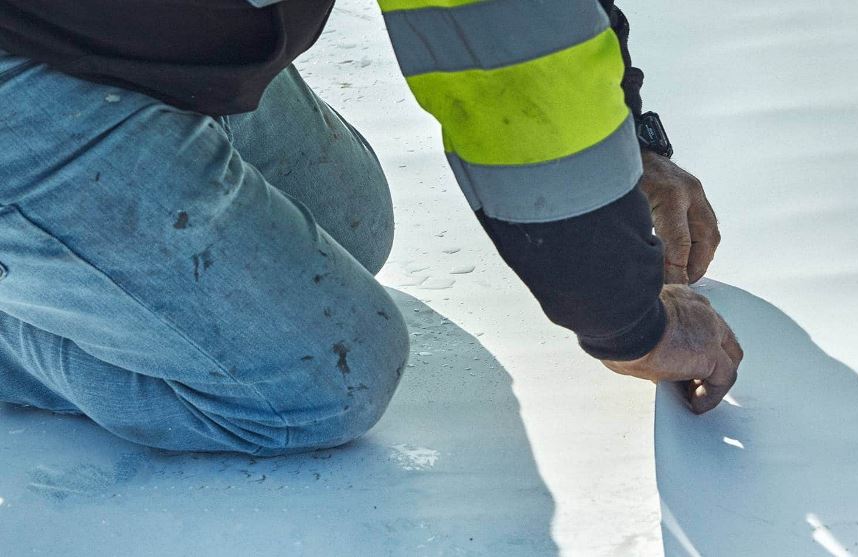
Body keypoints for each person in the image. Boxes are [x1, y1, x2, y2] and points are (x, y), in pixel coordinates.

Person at [0, 0, 743, 455]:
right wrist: (628, 320)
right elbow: (508, 42)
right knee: (318, 383)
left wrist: (629, 141)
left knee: (355, 223)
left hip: (120, 37)